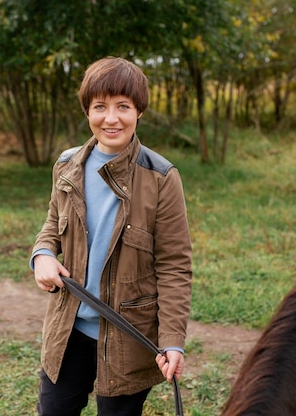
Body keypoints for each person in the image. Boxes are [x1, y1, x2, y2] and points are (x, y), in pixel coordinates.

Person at [30, 56, 192, 416]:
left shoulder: (162, 178)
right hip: (68, 330)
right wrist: (41, 254)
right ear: (87, 110)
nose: (111, 118)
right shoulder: (67, 165)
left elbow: (174, 267)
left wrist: (172, 343)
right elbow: (52, 225)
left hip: (128, 337)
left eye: (123, 106)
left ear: (139, 111)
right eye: (100, 106)